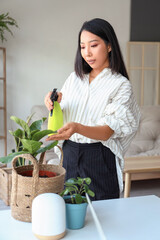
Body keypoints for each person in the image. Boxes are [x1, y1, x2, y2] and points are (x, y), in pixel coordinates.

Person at [44, 18, 140, 200]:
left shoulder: (121, 85)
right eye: (82, 47)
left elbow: (106, 132)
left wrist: (78, 128)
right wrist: (51, 102)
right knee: (70, 212)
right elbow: (62, 111)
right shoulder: (74, 79)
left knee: (104, 214)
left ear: (109, 46)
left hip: (99, 156)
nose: (87, 53)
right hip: (70, 153)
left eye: (93, 45)